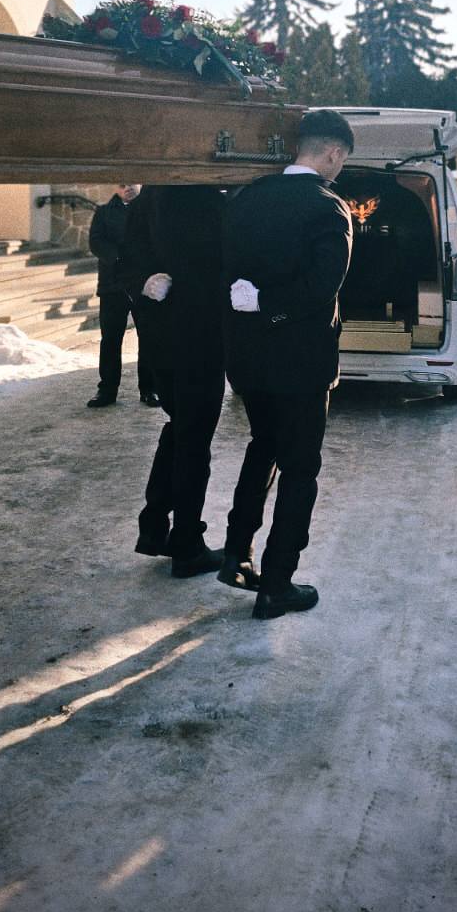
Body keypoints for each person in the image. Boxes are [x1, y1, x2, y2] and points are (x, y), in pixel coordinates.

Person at [219, 109, 354, 619]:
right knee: (300, 468)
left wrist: (252, 305)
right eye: (342, 161)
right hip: (301, 363)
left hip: (248, 357)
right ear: (333, 153)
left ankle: (236, 554)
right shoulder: (329, 206)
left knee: (263, 447)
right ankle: (276, 585)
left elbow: (225, 270)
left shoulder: (247, 198)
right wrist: (271, 306)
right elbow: (322, 286)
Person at [123, 186, 228, 577]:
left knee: (182, 429)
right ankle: (186, 544)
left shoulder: (151, 198)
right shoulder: (210, 200)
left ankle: (154, 526)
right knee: (192, 438)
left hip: (165, 340)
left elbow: (126, 262)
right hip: (197, 338)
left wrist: (143, 281)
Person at [86, 184, 159, 409]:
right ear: (116, 188)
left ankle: (149, 388)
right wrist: (118, 257)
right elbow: (96, 241)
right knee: (110, 338)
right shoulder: (104, 212)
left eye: (131, 183)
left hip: (143, 284)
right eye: (122, 184)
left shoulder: (150, 209)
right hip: (113, 284)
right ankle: (107, 389)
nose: (127, 187)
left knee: (148, 337)